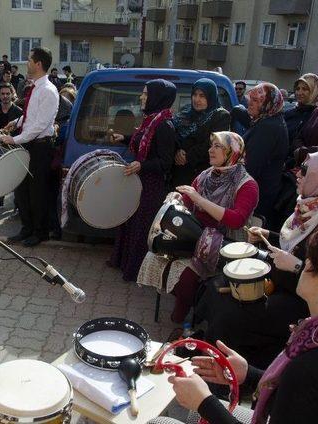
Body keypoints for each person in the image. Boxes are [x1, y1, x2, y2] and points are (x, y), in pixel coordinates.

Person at [171, 217, 318, 424]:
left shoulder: (312, 366)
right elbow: (313, 402)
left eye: (311, 262)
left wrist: (204, 402)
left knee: (161, 421)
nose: (304, 263)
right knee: (194, 416)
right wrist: (250, 374)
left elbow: (308, 389)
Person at [196, 149, 318, 368]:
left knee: (231, 313)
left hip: (308, 300)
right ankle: (209, 347)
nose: (297, 173)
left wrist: (296, 266)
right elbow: (301, 244)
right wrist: (270, 236)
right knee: (217, 285)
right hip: (287, 280)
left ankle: (229, 370)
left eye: (306, 170)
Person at [139, 132, 258, 325]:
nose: (210, 150)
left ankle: (182, 318)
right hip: (193, 237)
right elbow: (187, 202)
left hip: (226, 244)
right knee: (156, 255)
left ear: (232, 151)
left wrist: (199, 199)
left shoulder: (247, 184)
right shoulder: (206, 175)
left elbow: (236, 220)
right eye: (211, 145)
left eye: (217, 146)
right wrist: (177, 199)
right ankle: (188, 304)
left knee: (187, 276)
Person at [106, 79, 177, 281]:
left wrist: (141, 165)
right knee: (129, 222)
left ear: (157, 97)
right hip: (139, 181)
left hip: (151, 187)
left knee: (140, 227)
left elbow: (165, 162)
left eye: (146, 94)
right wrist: (124, 138)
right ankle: (123, 262)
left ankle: (134, 270)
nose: (141, 97)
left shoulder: (165, 125)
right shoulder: (152, 120)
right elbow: (144, 140)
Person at [0, 47, 59, 247]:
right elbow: (30, 115)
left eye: (29, 60)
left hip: (40, 147)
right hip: (29, 144)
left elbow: (41, 125)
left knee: (37, 192)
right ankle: (27, 229)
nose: (27, 63)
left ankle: (40, 232)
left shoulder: (49, 90)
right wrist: (15, 122)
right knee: (22, 190)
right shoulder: (36, 88)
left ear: (38, 64)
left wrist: (15, 140)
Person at [242, 82, 287, 230]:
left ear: (268, 104)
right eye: (250, 98)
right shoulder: (266, 121)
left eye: (256, 100)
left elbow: (252, 165)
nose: (250, 103)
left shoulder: (268, 127)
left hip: (259, 196)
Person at [171, 78, 231, 188]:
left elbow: (212, 144)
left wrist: (187, 156)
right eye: (195, 94)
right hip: (179, 173)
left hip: (202, 176)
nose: (197, 99)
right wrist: (178, 151)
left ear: (211, 97)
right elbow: (174, 136)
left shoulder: (221, 116)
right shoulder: (186, 113)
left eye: (202, 96)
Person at [284, 73, 318, 149]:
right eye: (297, 89)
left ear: (314, 91)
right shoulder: (288, 113)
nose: (299, 93)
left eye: (305, 89)